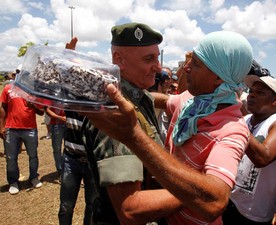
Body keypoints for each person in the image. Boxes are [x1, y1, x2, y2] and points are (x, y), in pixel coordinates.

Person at [83, 30, 254, 224]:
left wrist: (133, 135)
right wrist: (106, 90)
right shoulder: (193, 102)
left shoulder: (232, 130)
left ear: (218, 78)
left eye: (196, 64)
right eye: (149, 59)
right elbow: (161, 100)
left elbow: (214, 202)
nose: (186, 68)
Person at [81, 22, 178, 225]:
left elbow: (154, 99)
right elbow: (130, 208)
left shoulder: (140, 97)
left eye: (157, 57)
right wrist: (196, 192)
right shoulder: (115, 111)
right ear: (119, 60)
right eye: (149, 59)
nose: (158, 67)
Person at [222, 75, 276, 225]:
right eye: (251, 91)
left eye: (260, 93)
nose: (252, 95)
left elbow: (262, 158)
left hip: (256, 213)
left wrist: (235, 118)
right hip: (230, 201)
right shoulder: (245, 119)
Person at [58, 37, 97, 225]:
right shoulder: (71, 97)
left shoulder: (99, 102)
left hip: (92, 163)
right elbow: (60, 79)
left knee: (92, 205)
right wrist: (68, 55)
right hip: (71, 160)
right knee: (66, 206)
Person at [0, 82, 44, 195]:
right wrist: (1, 126)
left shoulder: (32, 90)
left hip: (30, 128)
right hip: (11, 128)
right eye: (17, 73)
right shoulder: (8, 88)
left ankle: (33, 177)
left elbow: (41, 111)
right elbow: (3, 108)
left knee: (33, 155)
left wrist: (33, 106)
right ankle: (13, 182)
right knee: (11, 158)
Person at [45, 106, 66, 175]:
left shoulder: (68, 95)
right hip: (56, 125)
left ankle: (68, 169)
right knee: (57, 149)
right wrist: (59, 117)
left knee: (70, 148)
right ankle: (60, 170)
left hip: (68, 124)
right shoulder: (53, 95)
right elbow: (47, 110)